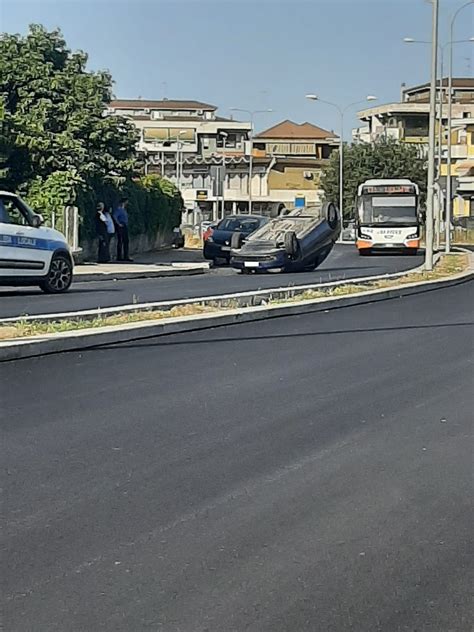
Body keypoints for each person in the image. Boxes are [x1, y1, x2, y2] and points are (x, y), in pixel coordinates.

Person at [113, 197, 133, 262]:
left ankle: (125, 256)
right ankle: (120, 256)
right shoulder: (119, 209)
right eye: (126, 202)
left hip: (125, 225)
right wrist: (118, 224)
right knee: (121, 240)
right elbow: (115, 216)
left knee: (126, 241)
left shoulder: (124, 210)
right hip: (121, 226)